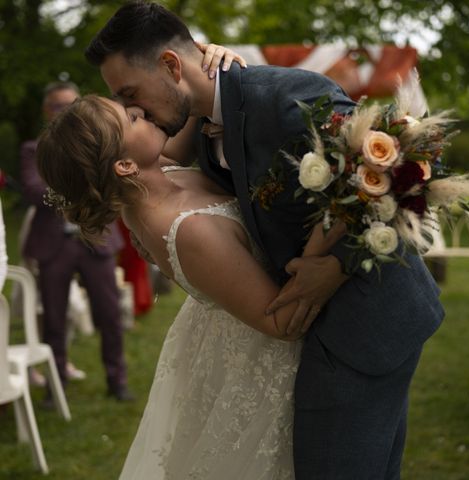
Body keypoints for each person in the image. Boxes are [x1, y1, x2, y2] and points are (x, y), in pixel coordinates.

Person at [86, 2, 445, 478]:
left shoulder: (288, 96)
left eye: (130, 92)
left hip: (366, 322)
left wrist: (332, 265)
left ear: (171, 65)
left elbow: (401, 168)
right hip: (322, 333)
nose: (132, 108)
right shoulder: (198, 123)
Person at [36, 93, 346, 478]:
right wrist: (335, 267)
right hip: (260, 354)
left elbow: (188, 105)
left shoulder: (154, 175)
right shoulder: (186, 230)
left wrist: (208, 67)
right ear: (125, 164)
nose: (142, 112)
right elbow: (280, 324)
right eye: (131, 119)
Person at [20, 81, 131, 399]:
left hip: (96, 240)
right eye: (58, 106)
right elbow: (32, 188)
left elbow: (113, 181)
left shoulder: (97, 143)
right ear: (47, 110)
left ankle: (117, 382)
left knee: (110, 315)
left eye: (72, 104)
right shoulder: (34, 148)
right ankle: (56, 387)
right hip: (54, 245)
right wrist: (82, 187)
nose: (66, 112)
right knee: (54, 319)